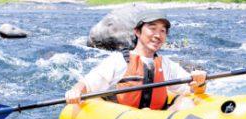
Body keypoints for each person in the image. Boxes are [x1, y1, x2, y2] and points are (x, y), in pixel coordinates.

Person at [65, 9, 207, 111]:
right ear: (137, 32)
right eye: (152, 28)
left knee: (186, 103)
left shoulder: (166, 65)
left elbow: (192, 90)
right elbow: (86, 84)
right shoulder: (118, 61)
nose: (158, 35)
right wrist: (75, 91)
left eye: (163, 31)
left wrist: (199, 83)